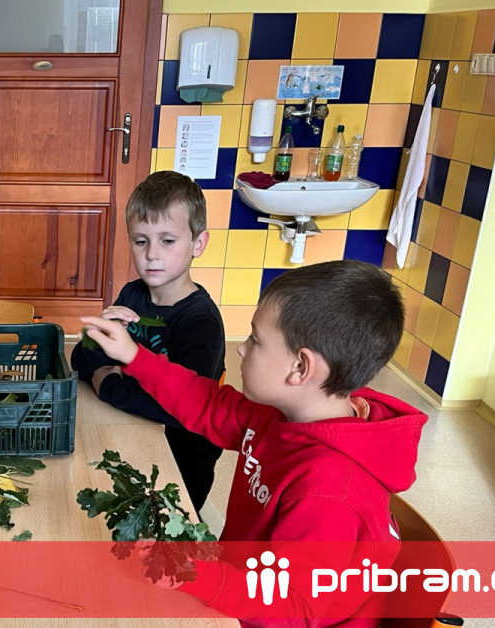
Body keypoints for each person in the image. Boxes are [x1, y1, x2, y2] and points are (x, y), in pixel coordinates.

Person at [81, 260, 427, 625]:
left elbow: (291, 609)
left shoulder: (328, 492)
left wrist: (192, 573)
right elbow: (209, 405)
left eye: (255, 340)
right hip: (241, 587)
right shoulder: (285, 413)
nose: (242, 350)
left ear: (300, 368)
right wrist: (134, 356)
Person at [71, 171, 225, 512]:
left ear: (198, 244)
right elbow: (80, 363)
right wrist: (98, 339)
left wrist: (108, 383)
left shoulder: (200, 321)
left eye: (167, 241)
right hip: (128, 435)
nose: (152, 254)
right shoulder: (132, 294)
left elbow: (182, 410)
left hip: (182, 463)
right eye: (141, 241)